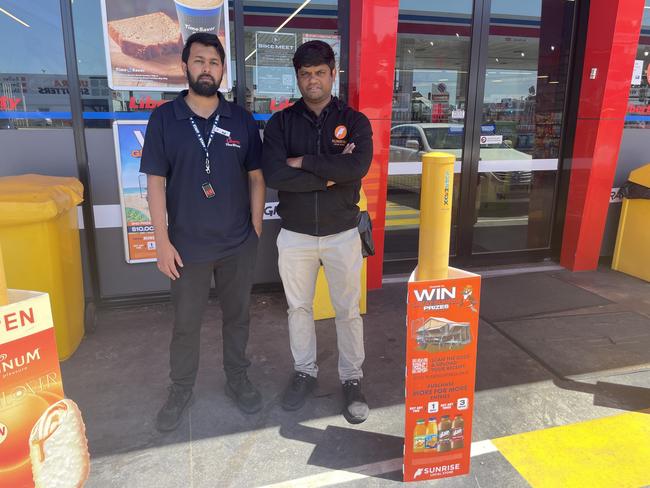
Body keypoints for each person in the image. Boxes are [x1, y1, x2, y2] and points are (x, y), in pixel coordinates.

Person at [140, 33, 265, 432]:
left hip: (236, 245)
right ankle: (180, 389)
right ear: (185, 66)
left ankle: (238, 378)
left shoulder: (241, 119)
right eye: (199, 61)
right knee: (186, 324)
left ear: (223, 70)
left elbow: (257, 177)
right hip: (186, 248)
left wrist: (255, 232)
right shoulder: (164, 118)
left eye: (214, 62)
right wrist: (161, 242)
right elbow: (155, 183)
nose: (206, 68)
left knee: (238, 318)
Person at [261, 41, 373, 424]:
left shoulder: (355, 121)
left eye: (319, 72)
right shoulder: (280, 123)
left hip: (343, 234)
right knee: (299, 310)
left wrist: (305, 163)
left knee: (347, 311)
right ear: (297, 78)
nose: (313, 80)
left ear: (333, 73)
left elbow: (356, 167)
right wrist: (327, 176)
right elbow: (276, 175)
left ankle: (352, 379)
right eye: (305, 74)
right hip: (295, 237)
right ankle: (304, 372)